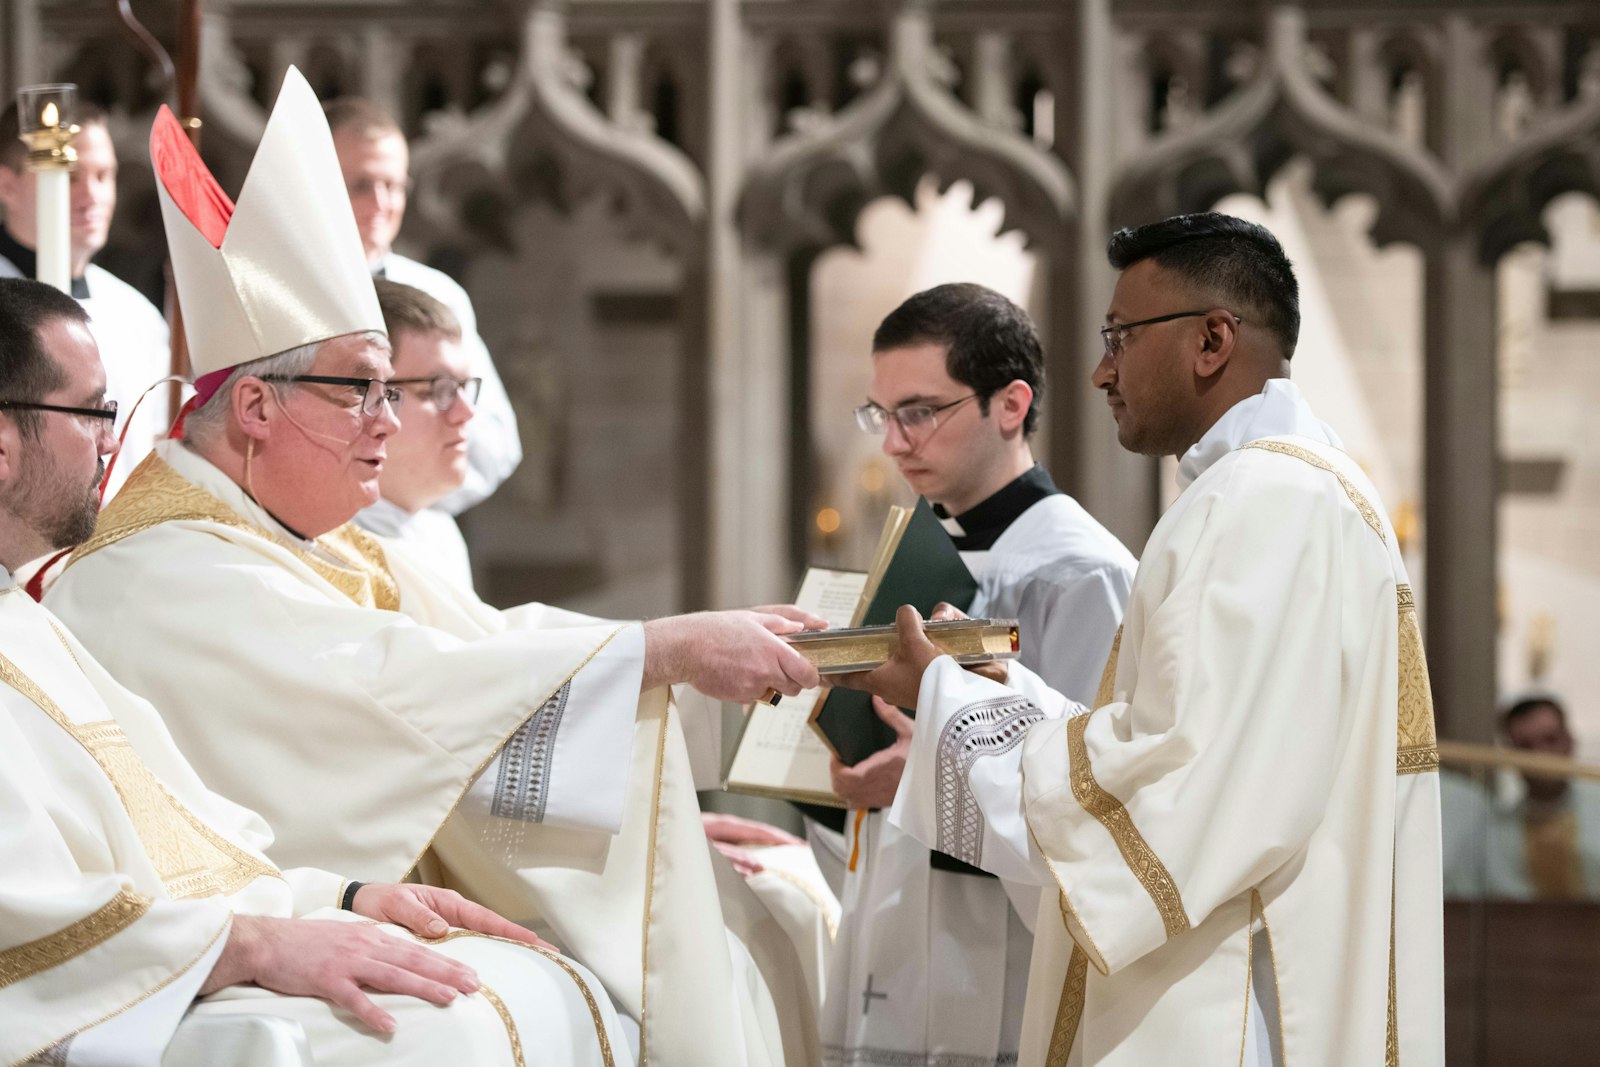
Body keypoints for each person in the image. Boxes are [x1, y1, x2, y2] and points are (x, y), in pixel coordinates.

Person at [45, 68, 822, 1067]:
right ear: (254, 411)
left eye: (391, 391)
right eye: (363, 392)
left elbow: (485, 644)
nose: (389, 422)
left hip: (323, 890)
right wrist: (660, 651)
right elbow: (392, 690)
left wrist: (680, 649)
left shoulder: (301, 534)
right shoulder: (156, 574)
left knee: (756, 915)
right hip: (221, 930)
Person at [838, 213, 1444, 1065]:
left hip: (1234, 1008)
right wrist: (1006, 692)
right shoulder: (1287, 488)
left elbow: (1162, 798)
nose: (1099, 370)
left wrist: (944, 698)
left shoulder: (1263, 501)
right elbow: (1188, 746)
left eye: (1121, 335)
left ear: (1211, 340)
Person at [0, 276, 627, 1067]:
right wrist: (247, 943)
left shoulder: (23, 619)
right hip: (101, 1003)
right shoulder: (134, 573)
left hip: (168, 952)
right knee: (443, 1026)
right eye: (93, 410)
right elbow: (19, 913)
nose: (113, 438)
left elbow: (176, 837)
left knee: (518, 984)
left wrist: (343, 897)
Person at [822, 283, 1134, 1067]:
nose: (892, 442)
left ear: (1010, 403)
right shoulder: (924, 548)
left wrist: (923, 766)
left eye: (919, 412)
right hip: (900, 929)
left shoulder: (1077, 568)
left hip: (997, 954)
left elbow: (1087, 790)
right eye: (879, 415)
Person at [325, 96, 520, 574]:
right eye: (361, 185)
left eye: (394, 186)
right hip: (309, 535)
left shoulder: (439, 294)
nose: (382, 205)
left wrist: (402, 496)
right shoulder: (270, 290)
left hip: (414, 535)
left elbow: (494, 442)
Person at [0, 102, 174, 499]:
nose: (91, 196)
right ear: (7, 186)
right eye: (70, 176)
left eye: (103, 175)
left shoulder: (137, 315)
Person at [353, 278, 478, 588]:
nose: (466, 412)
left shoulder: (439, 531)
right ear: (366, 398)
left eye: (462, 387)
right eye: (436, 390)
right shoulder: (334, 550)